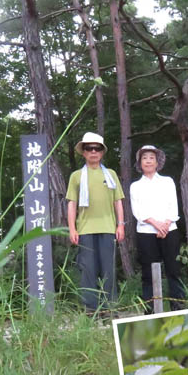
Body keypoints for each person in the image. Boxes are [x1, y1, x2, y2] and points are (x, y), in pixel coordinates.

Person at [66, 132, 125, 312]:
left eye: (97, 148)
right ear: (83, 152)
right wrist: (72, 229)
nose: (93, 151)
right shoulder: (76, 176)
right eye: (88, 148)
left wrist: (121, 224)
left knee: (109, 270)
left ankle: (109, 309)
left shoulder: (111, 174)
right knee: (88, 270)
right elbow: (72, 203)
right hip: (84, 229)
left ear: (102, 152)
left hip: (108, 228)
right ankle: (90, 310)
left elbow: (118, 201)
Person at [129, 145, 183, 312]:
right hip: (146, 232)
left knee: (173, 269)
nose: (148, 161)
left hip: (169, 230)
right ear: (140, 162)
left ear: (157, 161)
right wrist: (155, 224)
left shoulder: (167, 181)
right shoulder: (135, 186)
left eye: (151, 157)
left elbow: (173, 206)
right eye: (144, 158)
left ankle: (178, 305)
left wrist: (165, 224)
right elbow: (137, 211)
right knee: (148, 272)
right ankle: (150, 308)